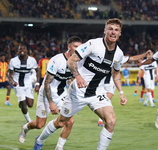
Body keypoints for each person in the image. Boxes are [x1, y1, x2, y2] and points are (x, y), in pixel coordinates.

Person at [33, 18, 128, 150]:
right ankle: (40, 140)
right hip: (78, 92)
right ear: (105, 30)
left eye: (116, 30)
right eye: (110, 29)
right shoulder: (93, 45)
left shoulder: (119, 54)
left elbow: (116, 73)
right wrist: (77, 76)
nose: (113, 32)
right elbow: (71, 60)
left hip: (97, 93)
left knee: (111, 121)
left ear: (120, 33)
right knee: (60, 122)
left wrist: (121, 93)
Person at [18, 36, 82, 147]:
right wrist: (51, 103)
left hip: (62, 94)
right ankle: (25, 128)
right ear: (69, 47)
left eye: (80, 47)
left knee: (70, 121)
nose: (78, 49)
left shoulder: (79, 62)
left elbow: (72, 78)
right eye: (75, 46)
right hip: (46, 94)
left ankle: (59, 147)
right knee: (39, 125)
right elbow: (47, 83)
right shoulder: (57, 60)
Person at [98, 52, 152, 127]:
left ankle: (103, 120)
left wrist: (145, 54)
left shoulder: (116, 57)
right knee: (104, 101)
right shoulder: (103, 55)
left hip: (108, 83)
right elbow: (133, 58)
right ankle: (103, 119)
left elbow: (132, 58)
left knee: (106, 100)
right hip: (103, 82)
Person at [8, 44, 40, 123]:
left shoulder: (32, 60)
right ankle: (29, 121)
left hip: (28, 84)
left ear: (26, 51)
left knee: (30, 104)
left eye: (24, 48)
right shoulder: (13, 61)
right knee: (23, 103)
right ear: (17, 51)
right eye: (20, 49)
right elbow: (9, 73)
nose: (22, 50)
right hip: (18, 84)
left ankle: (22, 103)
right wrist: (12, 81)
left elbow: (38, 71)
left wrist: (37, 84)